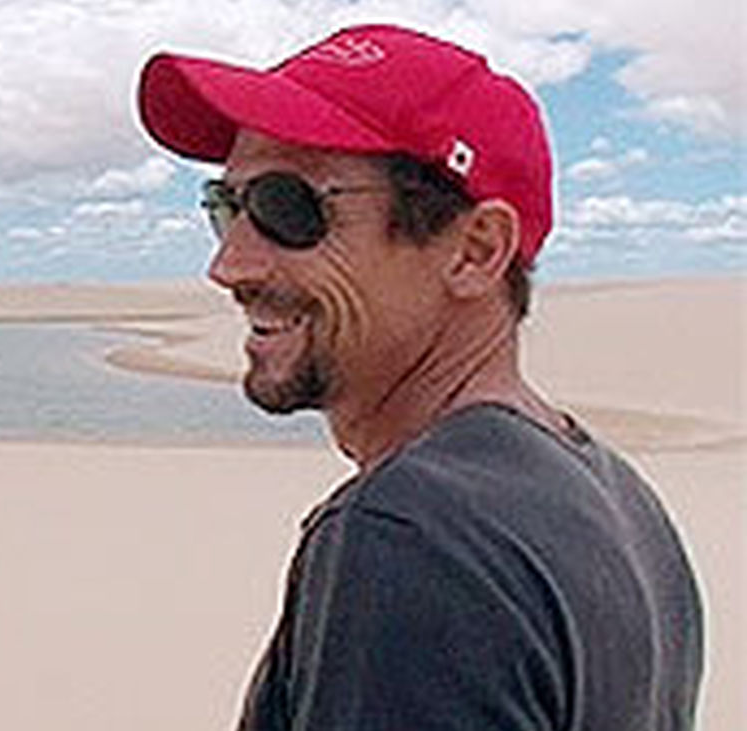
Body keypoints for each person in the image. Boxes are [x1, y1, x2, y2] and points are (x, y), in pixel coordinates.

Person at [136, 24, 703, 730]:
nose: (230, 265)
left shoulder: (409, 533)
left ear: (475, 250)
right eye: (227, 206)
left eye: (289, 207)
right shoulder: (624, 507)